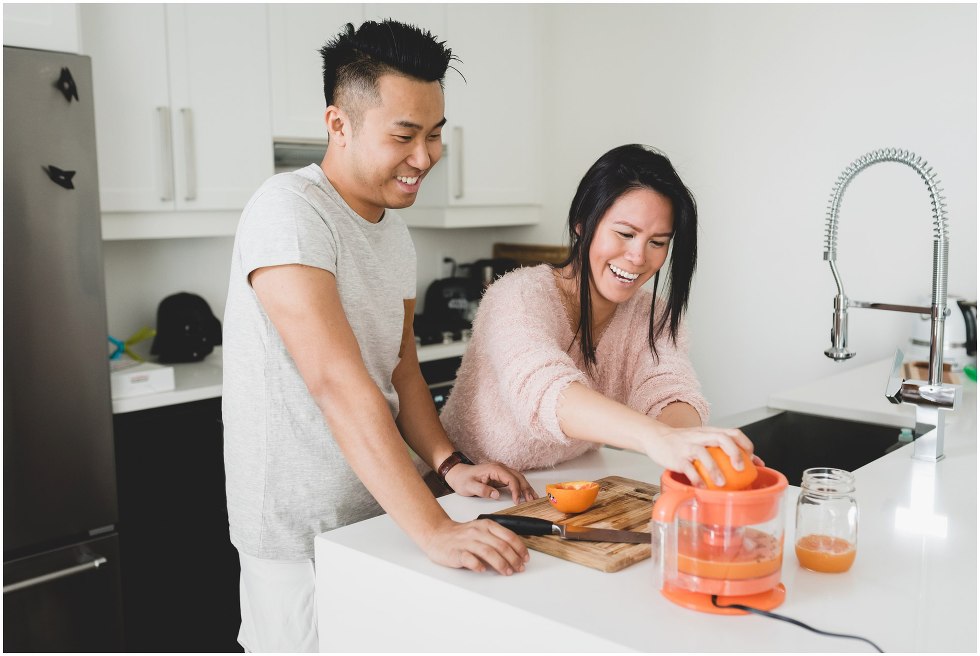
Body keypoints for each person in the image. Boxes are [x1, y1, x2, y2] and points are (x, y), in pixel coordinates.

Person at [222, 19, 537, 653]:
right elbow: (337, 383)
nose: (425, 157)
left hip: (381, 516)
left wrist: (448, 468)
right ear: (338, 123)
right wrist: (435, 530)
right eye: (405, 135)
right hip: (301, 537)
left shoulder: (393, 230)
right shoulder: (289, 210)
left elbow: (400, 372)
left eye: (435, 134)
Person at [441, 144, 759, 487]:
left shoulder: (651, 315)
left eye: (658, 242)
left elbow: (669, 390)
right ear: (582, 224)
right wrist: (657, 438)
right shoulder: (517, 296)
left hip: (557, 490)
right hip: (463, 493)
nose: (638, 257)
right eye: (625, 234)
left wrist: (690, 444)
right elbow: (544, 391)